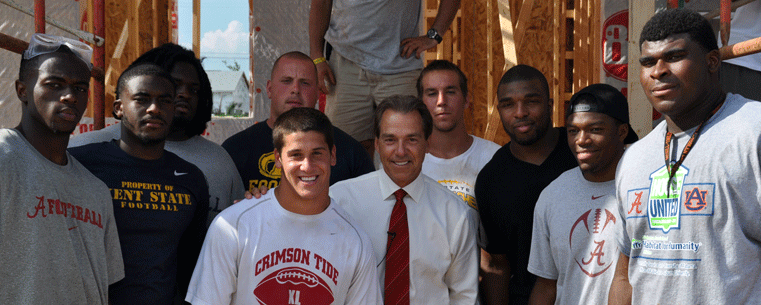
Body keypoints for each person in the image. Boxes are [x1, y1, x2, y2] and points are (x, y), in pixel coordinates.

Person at [608, 8, 761, 304]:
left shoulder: (752, 131)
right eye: (648, 62)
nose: (658, 71)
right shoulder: (634, 157)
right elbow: (625, 273)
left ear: (712, 62)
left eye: (674, 57)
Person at [186, 107, 382, 305]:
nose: (307, 165)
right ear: (278, 158)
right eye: (296, 155)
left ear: (332, 155)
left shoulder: (354, 241)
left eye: (317, 153)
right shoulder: (233, 226)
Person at [69, 63, 209, 305]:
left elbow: (192, 263)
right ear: (119, 108)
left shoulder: (191, 178)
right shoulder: (80, 164)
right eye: (142, 99)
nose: (154, 109)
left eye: (165, 101)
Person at [0, 33, 124, 305]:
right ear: (22, 90)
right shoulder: (3, 156)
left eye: (80, 88)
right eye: (54, 84)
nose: (69, 96)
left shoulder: (96, 190)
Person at [69, 43, 244, 226]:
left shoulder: (218, 163)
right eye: (175, 85)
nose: (184, 94)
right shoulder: (83, 151)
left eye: (193, 89)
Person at [330, 95, 480, 304]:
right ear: (377, 144)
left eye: (412, 139)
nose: (400, 151)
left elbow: (465, 296)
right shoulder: (339, 201)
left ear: (427, 144)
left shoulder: (454, 214)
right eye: (390, 139)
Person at [527, 84, 637, 305]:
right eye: (573, 130)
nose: (581, 140)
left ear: (622, 132)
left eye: (595, 129)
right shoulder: (553, 195)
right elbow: (547, 283)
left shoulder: (644, 187)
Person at [476, 65, 578, 305]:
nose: (520, 112)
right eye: (508, 104)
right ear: (499, 110)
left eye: (531, 101)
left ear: (551, 105)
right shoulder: (492, 178)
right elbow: (498, 264)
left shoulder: (579, 151)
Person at [309, 0, 461, 156]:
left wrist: (434, 35)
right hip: (345, 64)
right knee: (342, 153)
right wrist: (317, 58)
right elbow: (321, 3)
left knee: (406, 150)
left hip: (400, 66)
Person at [222, 51, 373, 193]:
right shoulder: (235, 149)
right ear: (269, 89)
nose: (295, 89)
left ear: (317, 92)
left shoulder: (351, 152)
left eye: (305, 83)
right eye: (286, 81)